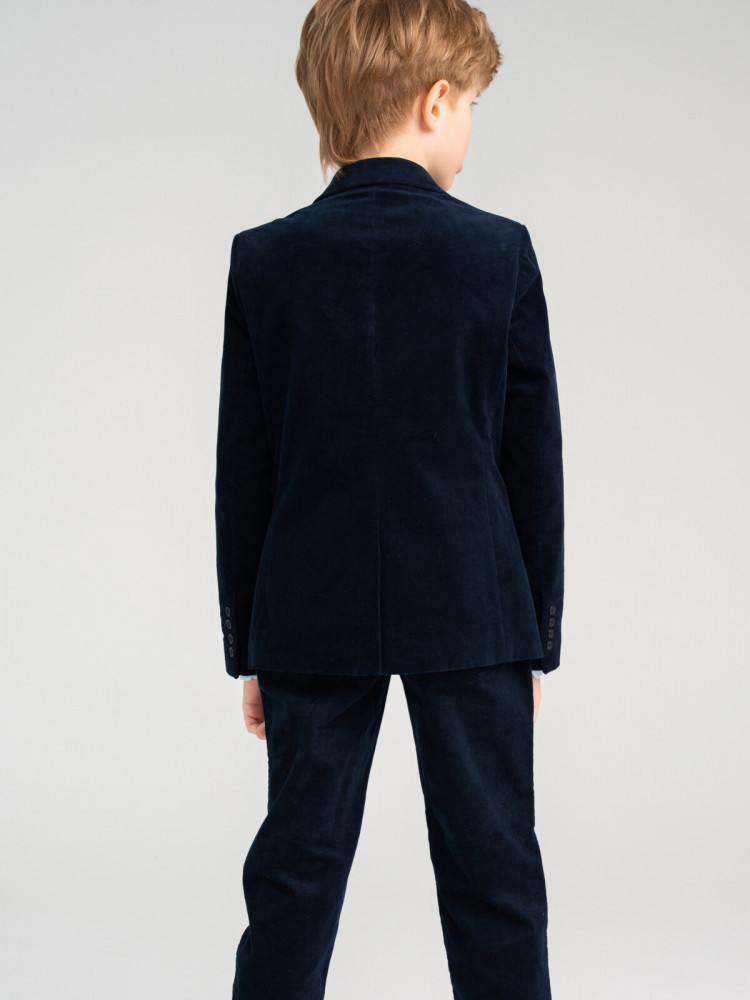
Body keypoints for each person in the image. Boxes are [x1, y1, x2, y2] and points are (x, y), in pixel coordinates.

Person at [214, 1, 564, 997]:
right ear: (436, 100)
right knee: (495, 870)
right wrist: (534, 637)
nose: (469, 125)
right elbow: (531, 464)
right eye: (473, 105)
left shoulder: (265, 260)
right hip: (473, 608)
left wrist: (251, 646)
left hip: (309, 607)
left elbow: (246, 472)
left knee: (295, 871)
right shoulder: (498, 253)